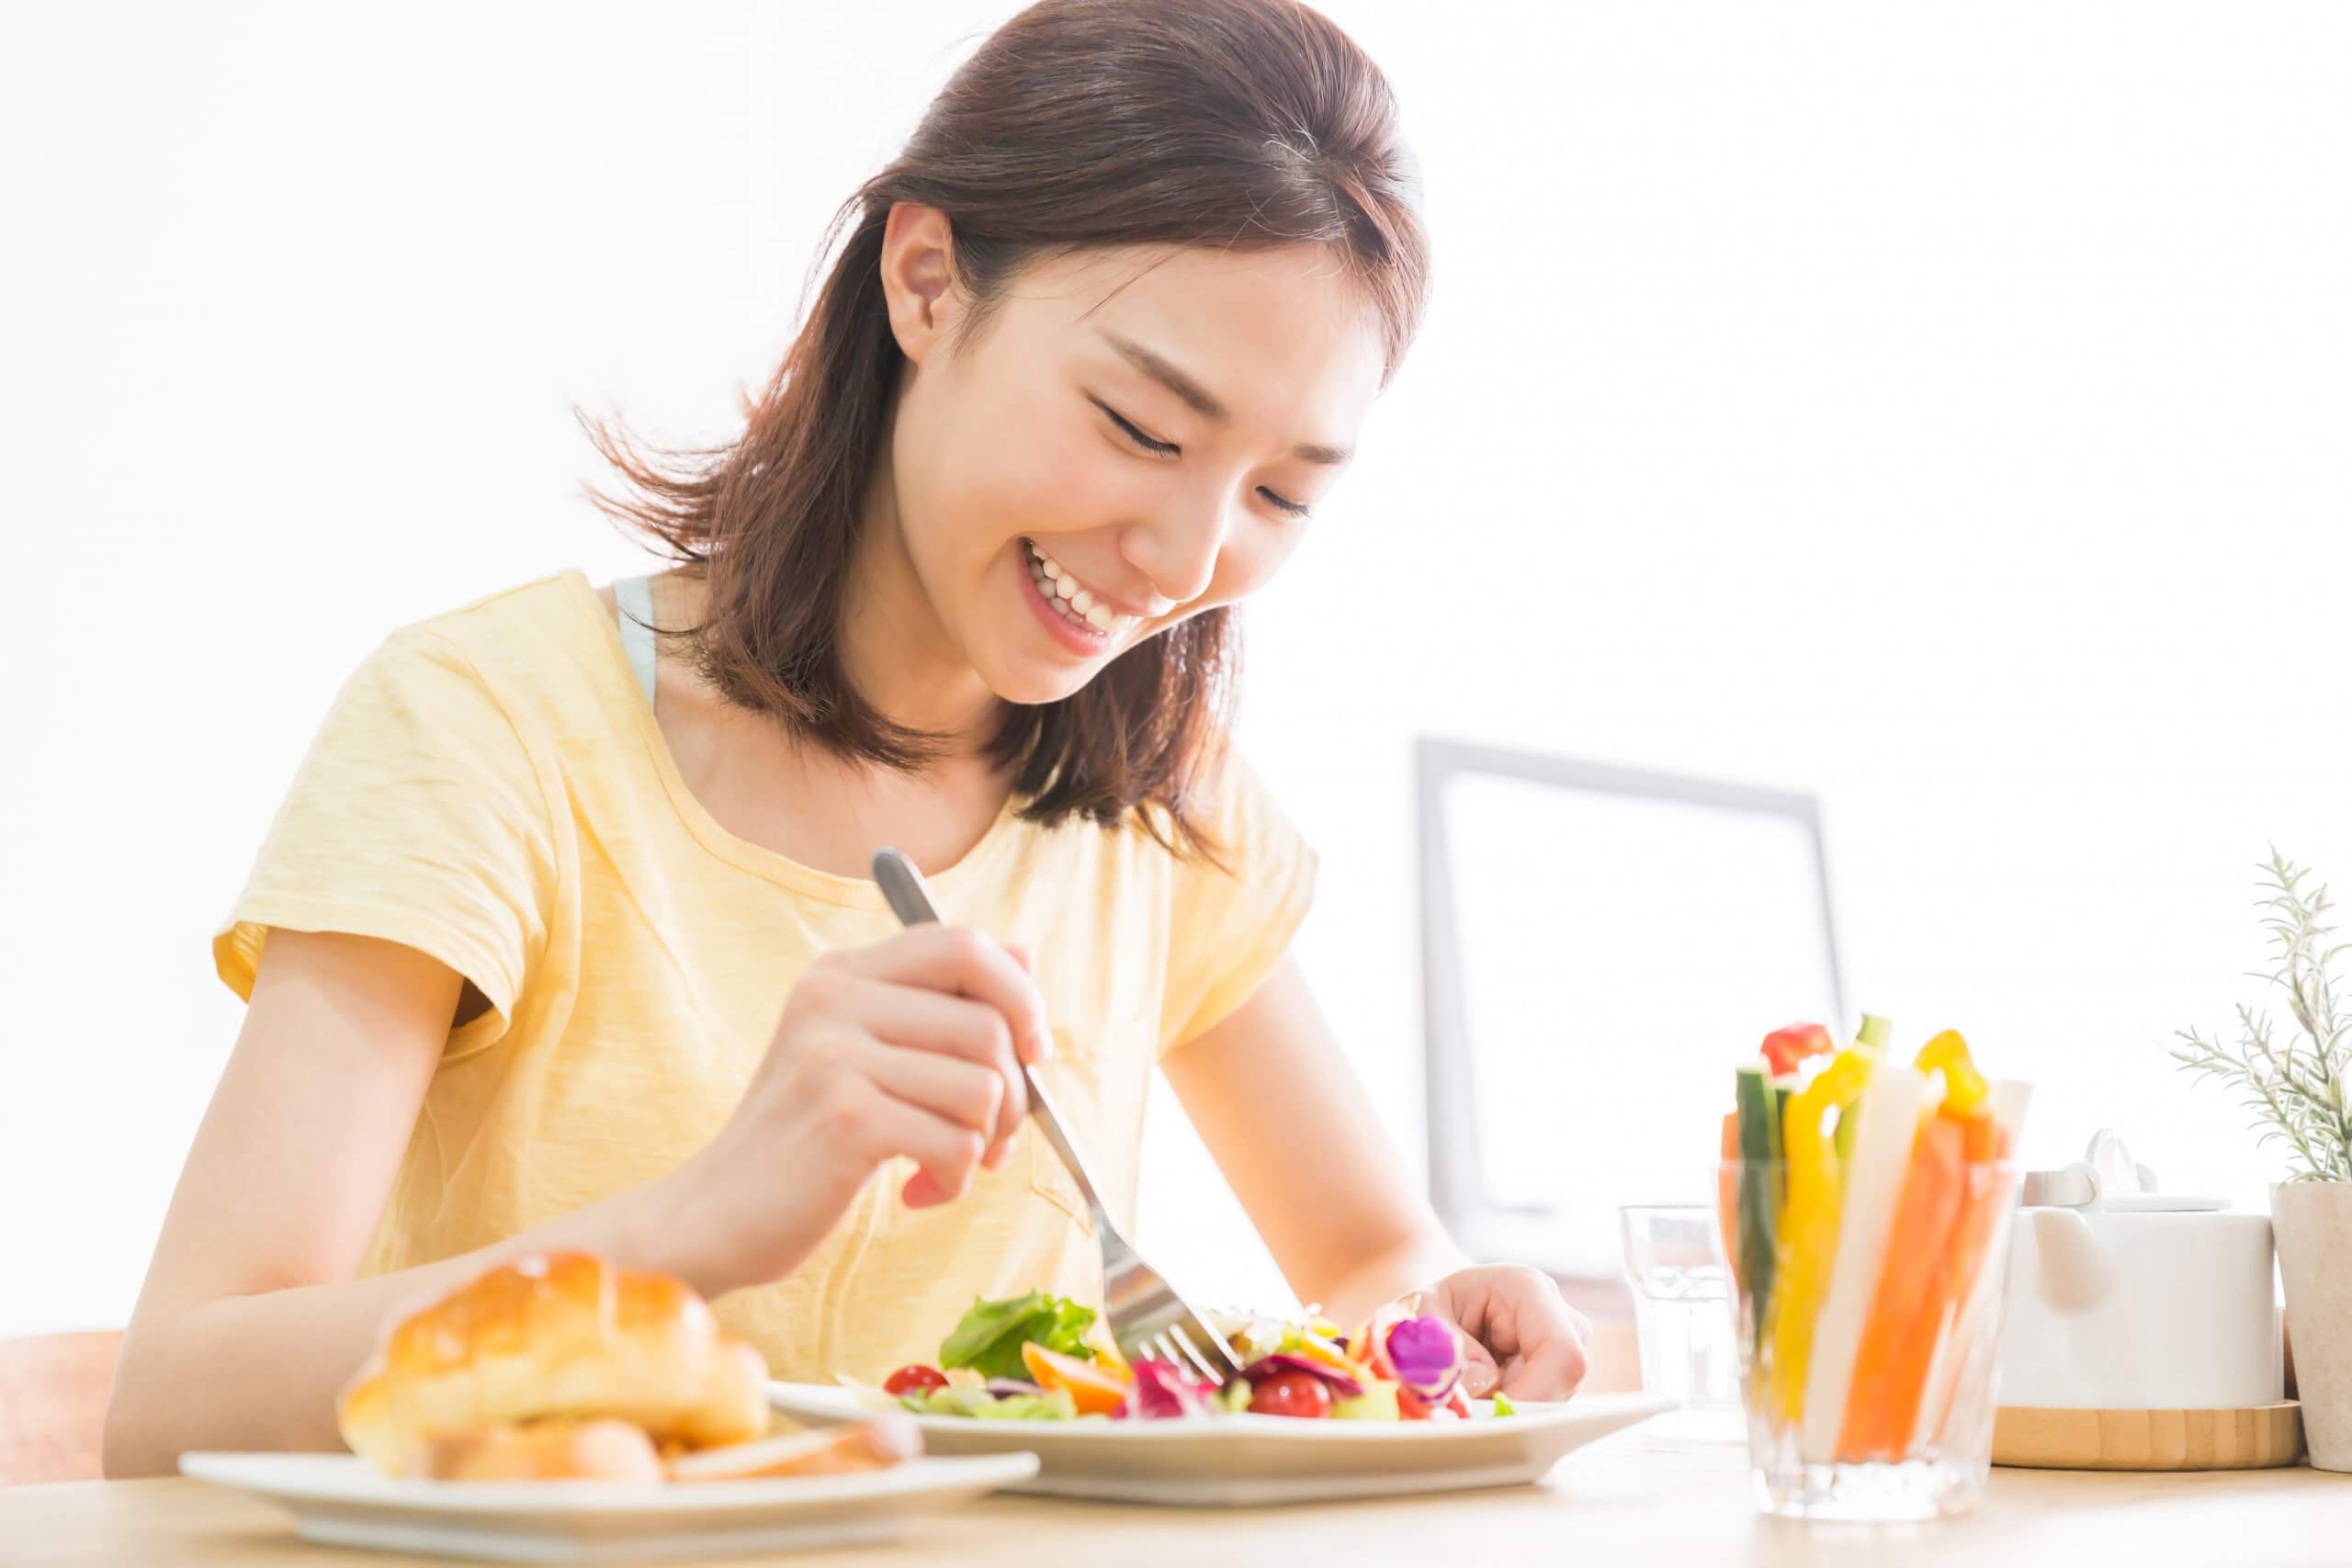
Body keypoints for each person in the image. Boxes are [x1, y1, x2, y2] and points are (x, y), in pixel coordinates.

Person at [104, 0, 1588, 1476]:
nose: (1188, 557)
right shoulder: (491, 726)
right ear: (928, 281)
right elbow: (173, 1400)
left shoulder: (1155, 807)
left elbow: (1373, 1251)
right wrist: (698, 1223)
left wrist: (1440, 1323)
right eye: (1144, 427)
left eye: (1280, 497)